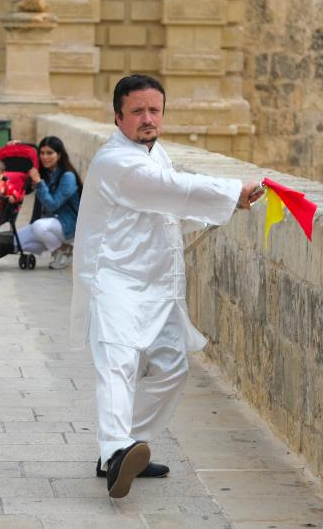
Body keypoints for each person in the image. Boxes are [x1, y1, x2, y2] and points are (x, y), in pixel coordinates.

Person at [72, 74, 262, 499]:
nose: (147, 119)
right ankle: (117, 447)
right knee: (117, 365)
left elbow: (168, 210)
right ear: (118, 116)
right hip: (114, 280)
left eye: (154, 110)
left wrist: (224, 208)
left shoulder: (156, 154)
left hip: (157, 285)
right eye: (137, 111)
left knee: (173, 368)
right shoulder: (115, 161)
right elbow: (170, 191)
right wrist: (232, 192)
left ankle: (123, 450)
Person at [16, 136, 82, 270]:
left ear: (59, 155)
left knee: (38, 227)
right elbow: (25, 187)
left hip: (69, 224)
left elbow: (53, 204)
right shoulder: (45, 172)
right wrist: (19, 146)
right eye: (42, 153)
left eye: (50, 153)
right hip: (50, 224)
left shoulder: (67, 177)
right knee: (15, 241)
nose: (45, 157)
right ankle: (56, 246)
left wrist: (39, 183)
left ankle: (65, 249)